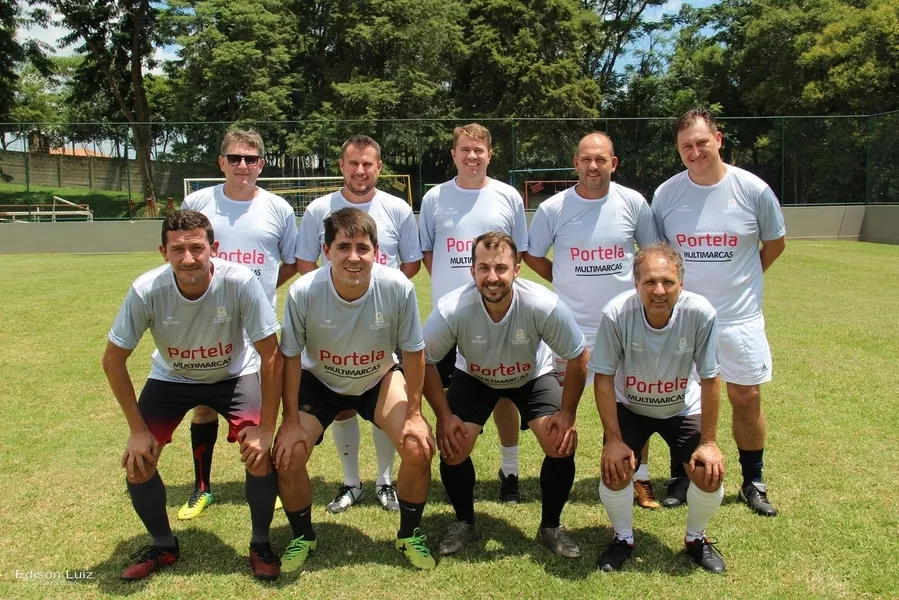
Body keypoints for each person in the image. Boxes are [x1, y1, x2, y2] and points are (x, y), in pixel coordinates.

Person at [102, 210, 284, 581]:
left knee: (258, 453)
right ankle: (163, 546)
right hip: (172, 378)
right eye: (178, 249)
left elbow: (271, 354)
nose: (188, 258)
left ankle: (260, 543)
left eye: (197, 248)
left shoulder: (240, 282)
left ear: (213, 248)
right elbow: (112, 361)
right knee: (139, 460)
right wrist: (137, 431)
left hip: (234, 375)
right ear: (163, 252)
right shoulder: (146, 289)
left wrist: (267, 427)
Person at [274, 207, 436, 572]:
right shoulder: (304, 291)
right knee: (288, 454)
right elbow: (289, 357)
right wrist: (288, 420)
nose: (353, 257)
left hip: (376, 377)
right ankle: (303, 536)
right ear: (326, 249)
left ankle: (409, 535)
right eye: (343, 246)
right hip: (320, 382)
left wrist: (414, 415)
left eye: (362, 248)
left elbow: (413, 351)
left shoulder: (397, 286)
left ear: (376, 251)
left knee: (417, 446)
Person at [652, 107, 786, 516]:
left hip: (738, 318)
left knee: (745, 396)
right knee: (680, 402)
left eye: (701, 143)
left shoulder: (753, 189)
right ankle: (681, 474)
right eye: (686, 146)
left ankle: (753, 481)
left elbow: (775, 244)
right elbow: (662, 259)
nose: (695, 152)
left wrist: (745, 281)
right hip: (684, 320)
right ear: (678, 149)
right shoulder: (666, 195)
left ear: (718, 140)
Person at [423, 232, 588, 558]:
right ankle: (464, 522)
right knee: (453, 447)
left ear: (517, 269)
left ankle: (550, 527)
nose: (492, 277)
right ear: (472, 271)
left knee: (560, 443)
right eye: (483, 268)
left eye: (501, 267)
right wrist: (444, 416)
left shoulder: (542, 304)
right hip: (475, 376)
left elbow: (578, 354)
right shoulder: (453, 308)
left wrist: (567, 414)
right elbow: (423, 360)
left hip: (531, 375)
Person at [525, 131, 664, 510]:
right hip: (567, 331)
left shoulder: (633, 203)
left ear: (613, 163)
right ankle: (557, 477)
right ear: (575, 163)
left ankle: (638, 477)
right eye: (586, 159)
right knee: (558, 409)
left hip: (621, 327)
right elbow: (533, 255)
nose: (593, 166)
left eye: (601, 159)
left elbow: (650, 254)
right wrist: (564, 277)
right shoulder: (554, 208)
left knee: (630, 408)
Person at [295, 134, 422, 514]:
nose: (360, 170)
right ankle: (351, 482)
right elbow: (305, 262)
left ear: (379, 167)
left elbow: (411, 262)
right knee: (342, 403)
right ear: (341, 166)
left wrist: (380, 297)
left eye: (368, 164)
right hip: (331, 321)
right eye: (353, 163)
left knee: (383, 398)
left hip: (383, 320)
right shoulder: (319, 208)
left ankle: (385, 481)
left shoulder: (398, 208)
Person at [178, 128, 298, 520]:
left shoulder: (278, 208)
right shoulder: (199, 201)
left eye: (250, 159)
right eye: (234, 158)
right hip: (206, 323)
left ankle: (271, 480)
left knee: (266, 407)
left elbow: (292, 262)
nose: (242, 166)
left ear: (261, 164)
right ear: (221, 162)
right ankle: (201, 488)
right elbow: (184, 251)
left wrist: (252, 293)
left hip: (259, 328)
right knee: (202, 407)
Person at [591, 243, 726, 573]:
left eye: (668, 281)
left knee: (708, 474)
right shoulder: (616, 313)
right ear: (636, 284)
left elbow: (710, 379)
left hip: (682, 409)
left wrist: (709, 442)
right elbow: (604, 377)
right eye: (650, 282)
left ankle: (696, 539)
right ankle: (623, 538)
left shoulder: (700, 313)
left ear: (681, 282)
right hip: (632, 408)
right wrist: (612, 439)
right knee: (616, 469)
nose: (659, 290)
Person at [418, 123, 529, 503]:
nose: (472, 156)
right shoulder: (435, 197)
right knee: (446, 397)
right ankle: (455, 469)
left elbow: (519, 253)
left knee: (503, 396)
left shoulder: (508, 196)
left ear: (490, 154)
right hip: (451, 321)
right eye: (464, 149)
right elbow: (430, 253)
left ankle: (510, 470)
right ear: (453, 154)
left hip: (498, 316)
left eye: (479, 150)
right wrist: (456, 297)